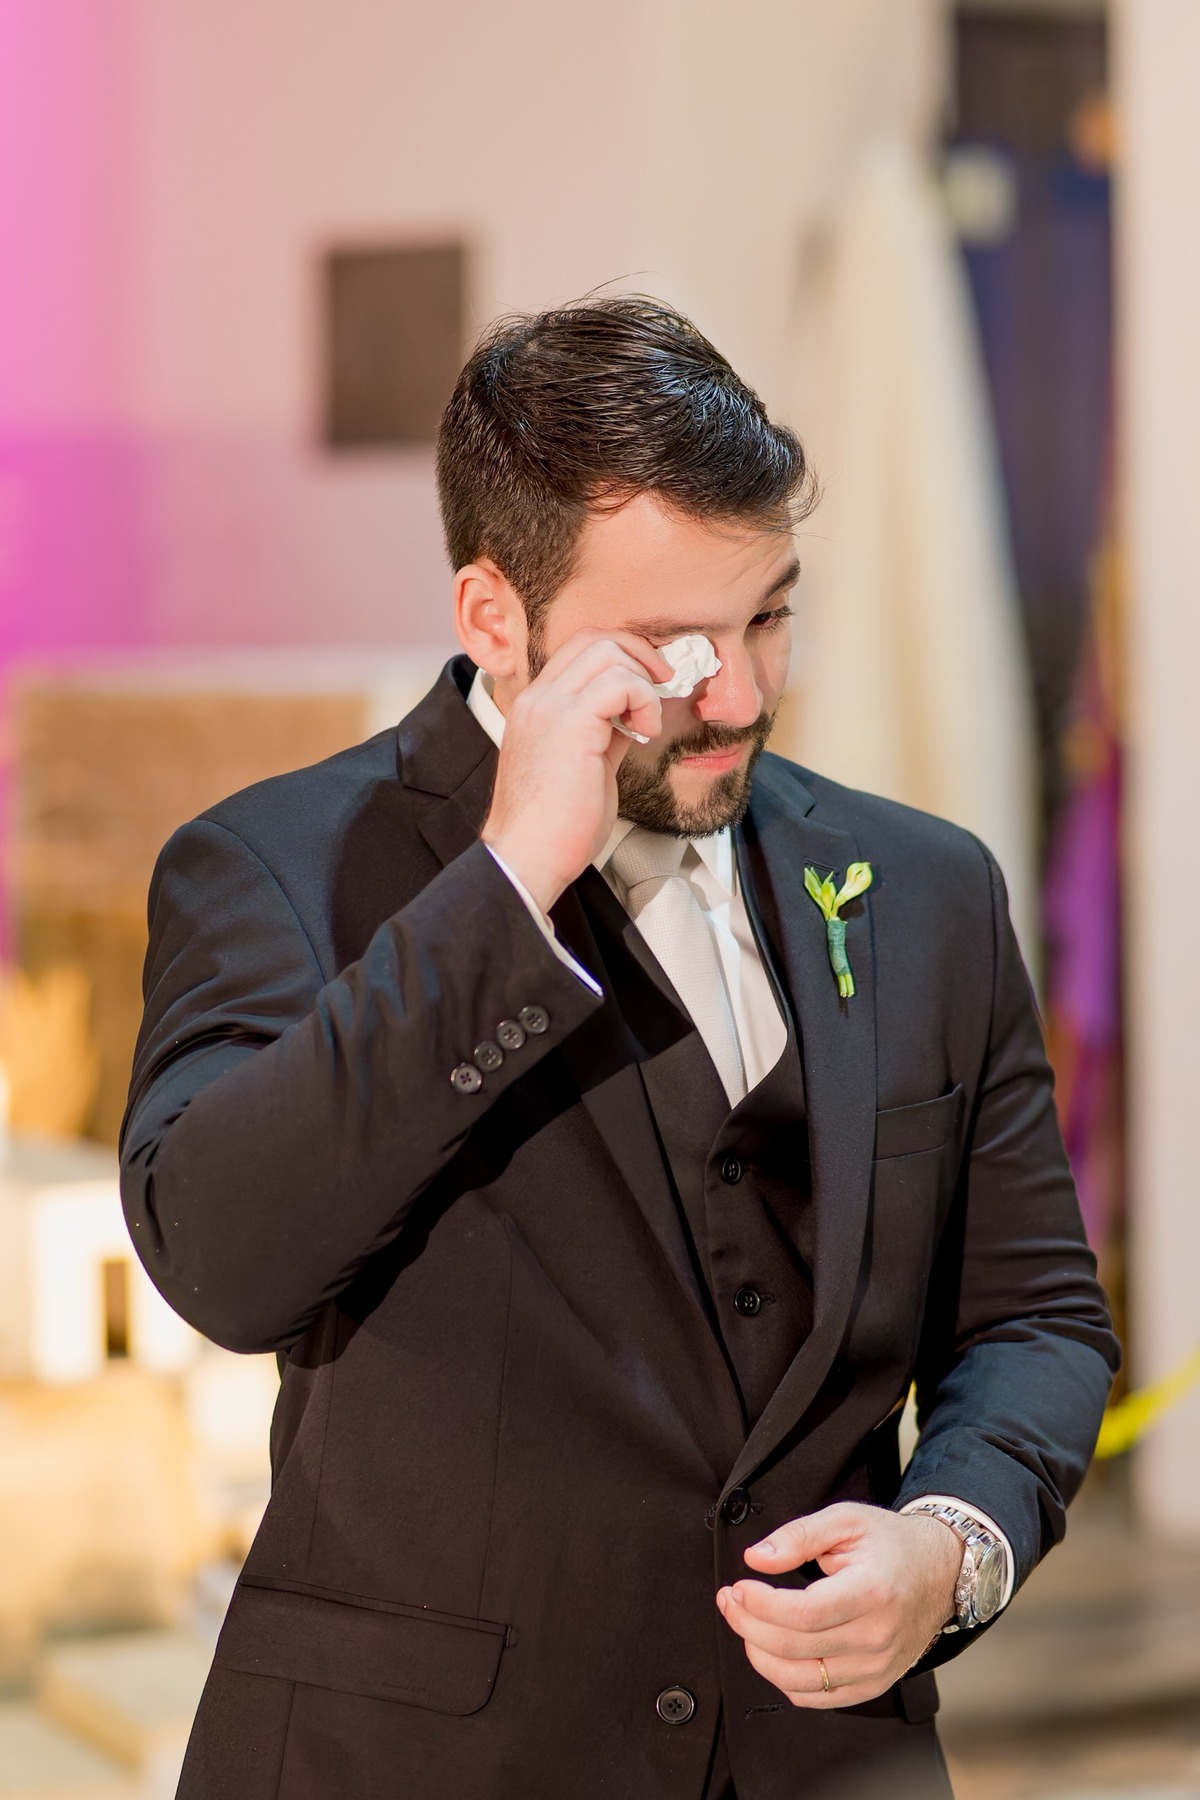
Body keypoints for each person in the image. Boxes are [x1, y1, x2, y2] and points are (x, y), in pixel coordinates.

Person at [120, 296, 1119, 1800]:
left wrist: (951, 1547)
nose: (740, 696)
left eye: (768, 615)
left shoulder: (928, 888)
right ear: (493, 618)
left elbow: (1036, 1314)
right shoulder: (272, 867)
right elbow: (226, 1261)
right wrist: (510, 882)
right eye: (667, 645)